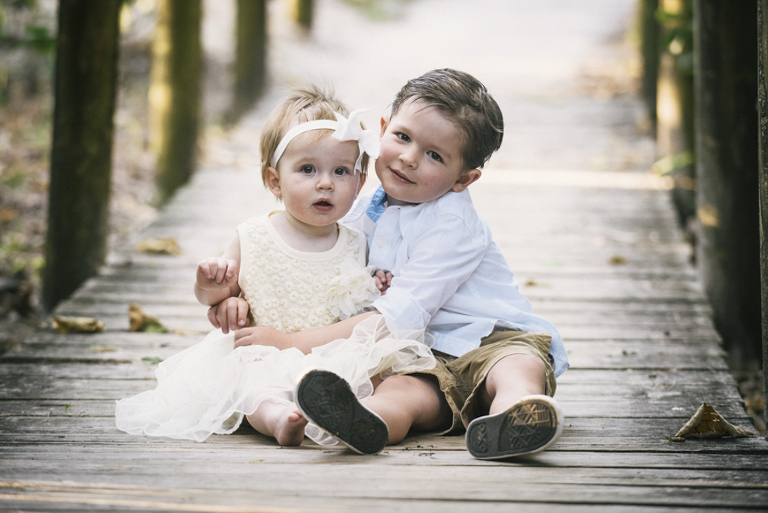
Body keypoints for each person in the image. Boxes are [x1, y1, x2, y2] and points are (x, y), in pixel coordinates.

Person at [234, 69, 569, 460]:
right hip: (421, 357)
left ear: (464, 178)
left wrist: (292, 344)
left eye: (434, 155)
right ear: (382, 128)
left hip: (493, 338)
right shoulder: (363, 207)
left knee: (517, 366)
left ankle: (514, 415)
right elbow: (319, 264)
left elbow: (396, 318)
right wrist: (239, 294)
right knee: (401, 395)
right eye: (403, 137)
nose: (409, 158)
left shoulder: (452, 224)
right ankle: (360, 420)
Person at [115, 86, 436, 452]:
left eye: (342, 171)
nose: (326, 182)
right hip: (265, 353)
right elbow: (219, 296)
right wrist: (213, 286)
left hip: (332, 354)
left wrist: (378, 282)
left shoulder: (358, 241)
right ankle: (281, 419)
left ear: (361, 182)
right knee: (252, 387)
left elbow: (367, 303)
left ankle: (346, 413)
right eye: (308, 169)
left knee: (374, 374)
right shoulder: (253, 236)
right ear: (274, 181)